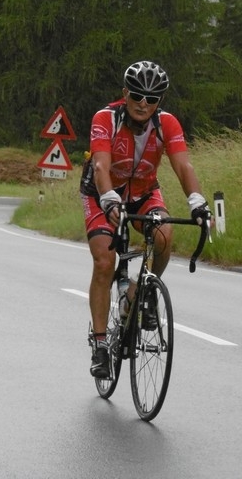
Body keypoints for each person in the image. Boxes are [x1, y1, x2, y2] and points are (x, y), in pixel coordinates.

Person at [80, 61, 211, 378]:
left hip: (143, 192)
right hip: (102, 192)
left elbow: (183, 167)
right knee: (103, 261)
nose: (143, 103)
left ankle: (139, 293)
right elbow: (100, 165)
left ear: (160, 101)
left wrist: (197, 201)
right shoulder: (105, 118)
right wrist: (109, 198)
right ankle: (100, 345)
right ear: (125, 93)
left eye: (152, 99)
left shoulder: (167, 125)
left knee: (164, 235)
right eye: (137, 95)